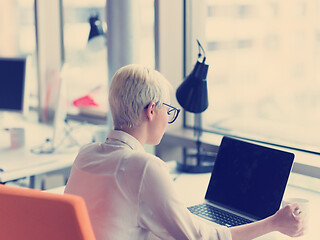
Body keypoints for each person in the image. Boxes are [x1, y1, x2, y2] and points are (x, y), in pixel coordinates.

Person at [64, 64, 305, 240]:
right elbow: (203, 239)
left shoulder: (85, 154)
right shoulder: (144, 166)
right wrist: (274, 223)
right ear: (151, 110)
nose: (167, 120)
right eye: (167, 109)